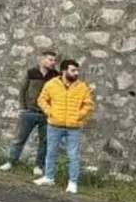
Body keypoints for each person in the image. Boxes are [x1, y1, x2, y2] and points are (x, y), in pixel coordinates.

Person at [33, 59, 95, 194]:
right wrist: (50, 112)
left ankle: (72, 183)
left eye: (77, 70)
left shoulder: (82, 87)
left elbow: (89, 105)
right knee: (51, 152)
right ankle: (49, 178)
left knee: (73, 155)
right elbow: (41, 99)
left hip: (74, 127)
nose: (76, 73)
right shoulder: (51, 84)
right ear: (64, 71)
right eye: (73, 70)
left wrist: (79, 115)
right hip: (54, 125)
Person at [0, 50, 59, 175]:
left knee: (44, 142)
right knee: (20, 139)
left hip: (46, 114)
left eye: (54, 60)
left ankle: (38, 166)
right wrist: (23, 108)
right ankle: (11, 162)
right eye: (50, 60)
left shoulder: (56, 76)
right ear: (42, 60)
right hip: (29, 112)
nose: (53, 63)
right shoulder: (31, 72)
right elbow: (22, 90)